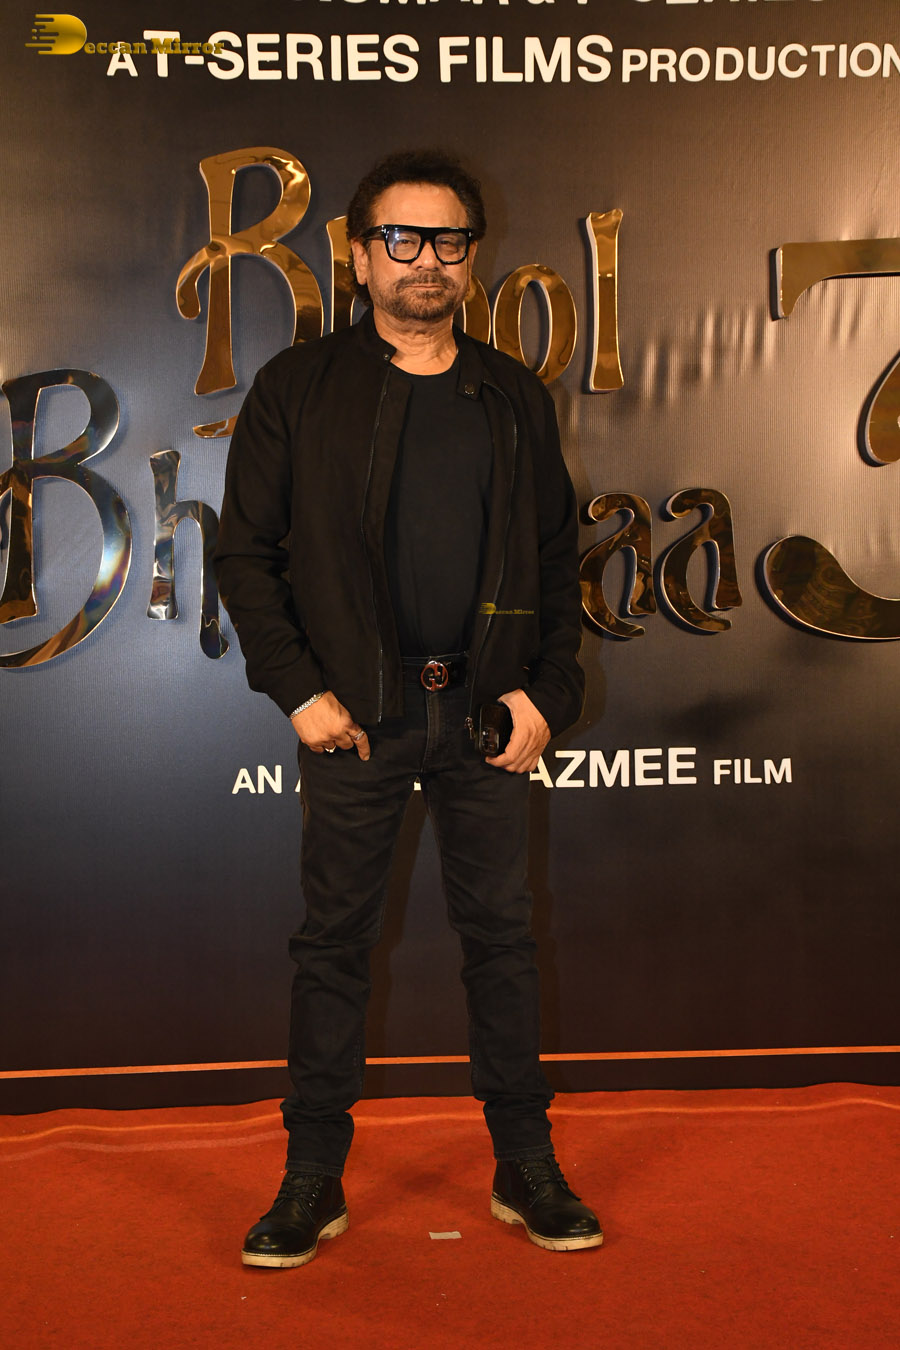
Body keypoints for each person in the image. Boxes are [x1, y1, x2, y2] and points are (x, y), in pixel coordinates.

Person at [215, 148, 603, 1267]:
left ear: (471, 258)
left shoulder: (513, 395)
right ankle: (310, 1178)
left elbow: (554, 562)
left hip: (486, 719)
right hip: (353, 722)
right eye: (403, 238)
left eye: (449, 241)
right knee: (332, 947)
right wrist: (298, 690)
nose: (427, 260)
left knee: (504, 944)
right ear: (358, 255)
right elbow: (245, 558)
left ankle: (525, 1167)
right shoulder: (297, 389)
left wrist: (550, 693)